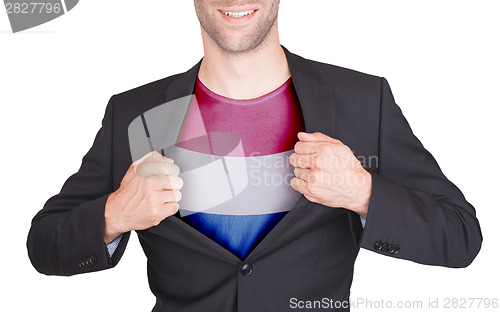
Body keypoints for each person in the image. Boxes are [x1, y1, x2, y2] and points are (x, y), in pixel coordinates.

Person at [27, 1, 482, 311]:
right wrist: (114, 214)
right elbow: (44, 245)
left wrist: (363, 192)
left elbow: (460, 236)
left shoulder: (362, 101)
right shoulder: (136, 113)